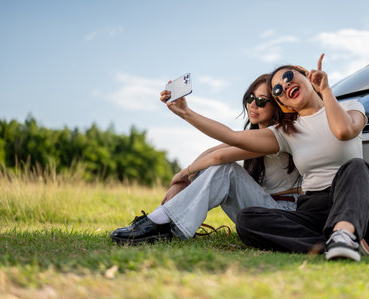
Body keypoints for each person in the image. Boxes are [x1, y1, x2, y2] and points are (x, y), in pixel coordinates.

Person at [159, 54, 369, 262]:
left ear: (304, 73)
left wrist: (325, 90)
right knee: (247, 220)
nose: (285, 85)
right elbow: (231, 138)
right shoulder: (288, 132)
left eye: (288, 77)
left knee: (356, 166)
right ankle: (331, 243)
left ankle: (345, 233)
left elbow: (343, 131)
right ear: (284, 106)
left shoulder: (350, 107)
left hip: (359, 208)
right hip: (314, 211)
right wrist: (186, 113)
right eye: (277, 91)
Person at [110, 74, 302, 245]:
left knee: (225, 168)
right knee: (212, 166)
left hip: (283, 215)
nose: (253, 104)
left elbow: (219, 157)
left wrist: (182, 174)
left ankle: (160, 222)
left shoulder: (278, 134)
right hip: (262, 211)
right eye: (250, 98)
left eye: (261, 101)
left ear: (277, 105)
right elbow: (212, 151)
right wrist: (185, 180)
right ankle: (162, 219)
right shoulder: (254, 134)